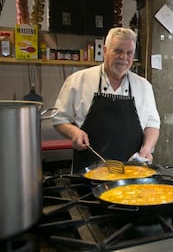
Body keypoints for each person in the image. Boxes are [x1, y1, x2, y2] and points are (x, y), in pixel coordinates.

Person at [52, 27, 160, 172]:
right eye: (118, 51)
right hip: (87, 172)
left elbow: (152, 124)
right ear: (104, 50)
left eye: (129, 53)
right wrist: (73, 133)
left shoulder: (144, 86)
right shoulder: (78, 80)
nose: (124, 58)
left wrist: (147, 148)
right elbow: (59, 119)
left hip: (132, 172)